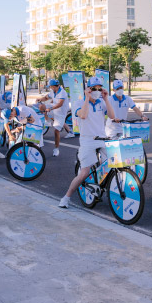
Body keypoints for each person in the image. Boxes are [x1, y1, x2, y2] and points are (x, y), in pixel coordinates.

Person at [58, 76, 115, 208]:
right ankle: (66, 198)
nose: (97, 91)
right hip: (87, 140)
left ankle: (101, 186)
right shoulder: (79, 103)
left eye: (99, 89)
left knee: (112, 164)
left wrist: (106, 99)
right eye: (94, 89)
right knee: (84, 172)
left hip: (102, 139)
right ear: (88, 89)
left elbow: (112, 116)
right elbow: (83, 115)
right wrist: (87, 98)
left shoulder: (101, 102)